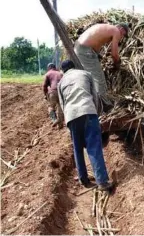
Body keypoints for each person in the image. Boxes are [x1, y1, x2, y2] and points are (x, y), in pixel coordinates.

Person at [57, 59, 114, 193]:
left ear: (63, 71)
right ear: (74, 67)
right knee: (93, 147)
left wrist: (67, 120)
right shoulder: (85, 74)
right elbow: (95, 96)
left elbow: (62, 103)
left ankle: (83, 179)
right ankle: (102, 182)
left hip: (71, 115)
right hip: (87, 110)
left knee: (77, 148)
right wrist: (96, 113)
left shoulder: (61, 83)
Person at [74, 23, 129, 113]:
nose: (122, 37)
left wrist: (97, 54)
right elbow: (114, 54)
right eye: (124, 35)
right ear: (122, 29)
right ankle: (104, 108)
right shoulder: (116, 31)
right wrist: (117, 63)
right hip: (85, 51)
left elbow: (95, 40)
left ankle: (91, 105)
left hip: (80, 47)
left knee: (88, 80)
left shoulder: (107, 28)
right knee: (99, 80)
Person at [43, 63, 64, 129]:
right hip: (62, 91)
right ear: (55, 67)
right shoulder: (60, 73)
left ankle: (54, 120)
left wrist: (46, 95)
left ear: (48, 68)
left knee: (51, 107)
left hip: (53, 91)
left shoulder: (48, 73)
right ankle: (60, 125)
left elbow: (44, 86)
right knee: (61, 107)